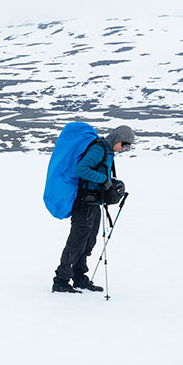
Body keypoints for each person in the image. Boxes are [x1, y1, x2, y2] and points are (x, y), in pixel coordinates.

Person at [52, 125, 135, 293]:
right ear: (117, 139)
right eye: (124, 145)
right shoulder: (99, 149)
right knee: (76, 243)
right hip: (84, 203)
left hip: (94, 203)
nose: (125, 149)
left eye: (128, 147)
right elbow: (81, 169)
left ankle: (79, 277)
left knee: (88, 243)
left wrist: (112, 183)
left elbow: (99, 173)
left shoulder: (108, 151)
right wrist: (104, 180)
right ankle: (61, 280)